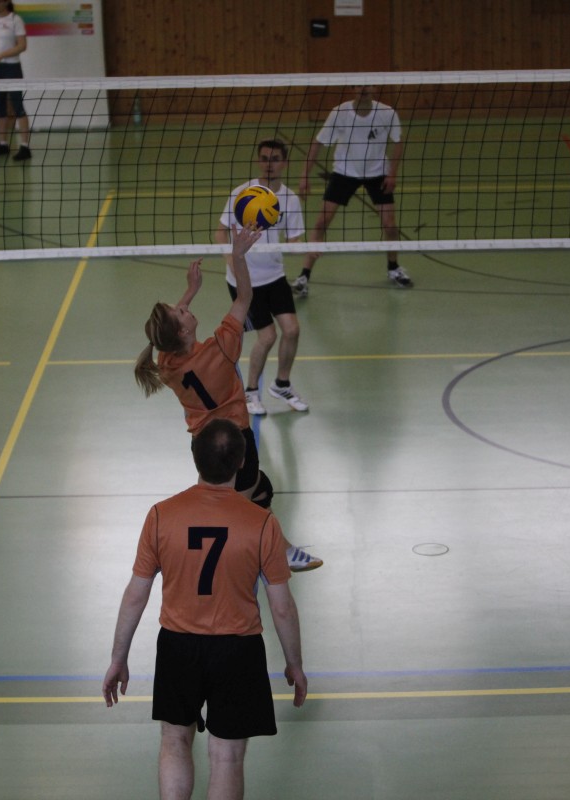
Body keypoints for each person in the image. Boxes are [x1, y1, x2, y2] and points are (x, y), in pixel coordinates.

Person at [102, 417, 307, 800]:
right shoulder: (263, 524)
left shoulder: (161, 515)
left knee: (174, 742)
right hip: (238, 650)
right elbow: (282, 607)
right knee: (227, 757)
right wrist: (294, 663)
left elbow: (136, 594)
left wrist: (118, 657)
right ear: (242, 463)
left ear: (194, 457)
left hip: (178, 646)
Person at [134, 226, 323, 571]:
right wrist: (237, 257)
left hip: (203, 445)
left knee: (258, 491)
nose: (184, 308)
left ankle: (276, 549)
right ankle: (247, 557)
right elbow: (244, 298)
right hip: (235, 441)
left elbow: (171, 332)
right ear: (183, 330)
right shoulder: (221, 348)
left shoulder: (168, 363)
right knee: (241, 507)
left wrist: (189, 293)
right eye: (181, 312)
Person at [216, 140, 308, 415]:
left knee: (292, 330)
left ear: (284, 163)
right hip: (245, 281)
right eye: (265, 158)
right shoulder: (242, 194)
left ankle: (281, 384)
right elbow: (221, 231)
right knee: (267, 336)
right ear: (259, 161)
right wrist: (231, 261)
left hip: (274, 275)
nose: (270, 164)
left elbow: (294, 240)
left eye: (275, 159)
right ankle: (251, 391)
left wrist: (309, 249)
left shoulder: (290, 199)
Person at [291, 85, 410, 297]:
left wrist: (392, 174)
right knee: (321, 223)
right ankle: (304, 276)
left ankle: (393, 268)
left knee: (390, 225)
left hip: (378, 173)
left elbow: (398, 141)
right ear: (353, 88)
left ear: (374, 88)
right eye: (359, 85)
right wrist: (304, 176)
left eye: (368, 85)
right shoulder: (339, 113)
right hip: (344, 172)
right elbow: (318, 142)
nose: (363, 89)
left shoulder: (387, 113)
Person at [0, 0, 32, 162]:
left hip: (12, 68)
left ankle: (25, 146)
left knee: (18, 105)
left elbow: (22, 46)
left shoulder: (15, 19)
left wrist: (1, 55)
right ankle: (3, 143)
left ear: (5, 2)